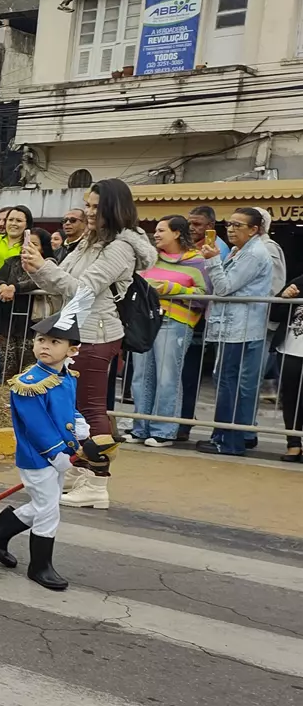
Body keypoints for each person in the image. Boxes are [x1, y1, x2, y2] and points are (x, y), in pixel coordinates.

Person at [22, 179, 155, 510]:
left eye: (96, 206)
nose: (89, 211)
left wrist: (44, 267)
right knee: (72, 407)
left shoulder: (120, 247)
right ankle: (80, 467)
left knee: (90, 409)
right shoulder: (91, 241)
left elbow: (83, 289)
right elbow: (61, 280)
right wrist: (37, 267)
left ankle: (97, 481)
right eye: (88, 205)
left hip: (96, 334)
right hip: (78, 331)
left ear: (113, 207)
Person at [0, 309, 86, 592]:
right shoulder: (29, 383)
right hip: (38, 456)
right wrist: (58, 454)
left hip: (61, 453)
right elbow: (37, 427)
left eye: (54, 342)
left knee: (43, 505)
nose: (44, 346)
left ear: (72, 349)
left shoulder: (67, 377)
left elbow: (67, 410)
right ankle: (40, 566)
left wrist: (80, 424)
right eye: (40, 340)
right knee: (48, 508)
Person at [195, 208, 272, 456]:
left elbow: (225, 287)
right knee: (228, 381)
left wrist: (212, 260)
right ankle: (226, 436)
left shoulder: (254, 253)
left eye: (238, 225)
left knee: (229, 382)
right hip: (234, 325)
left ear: (254, 230)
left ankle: (228, 440)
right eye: (229, 223)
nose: (230, 229)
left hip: (239, 327)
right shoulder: (243, 250)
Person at [128, 216, 209, 447]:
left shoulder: (198, 262)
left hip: (175, 322)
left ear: (176, 233)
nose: (156, 234)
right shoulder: (149, 260)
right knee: (141, 376)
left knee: (167, 378)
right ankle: (140, 427)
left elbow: (205, 295)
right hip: (146, 322)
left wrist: (173, 289)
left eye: (161, 230)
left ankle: (164, 430)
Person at [0, 206, 48, 380]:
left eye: (34, 244)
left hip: (32, 324)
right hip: (7, 322)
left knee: (28, 369)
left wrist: (15, 288)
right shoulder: (12, 260)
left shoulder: (48, 262)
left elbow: (37, 280)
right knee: (7, 368)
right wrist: (2, 287)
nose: (28, 247)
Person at [276, 280, 302, 462]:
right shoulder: (300, 281)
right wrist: (283, 298)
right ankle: (293, 444)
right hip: (290, 349)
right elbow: (275, 314)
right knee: (290, 397)